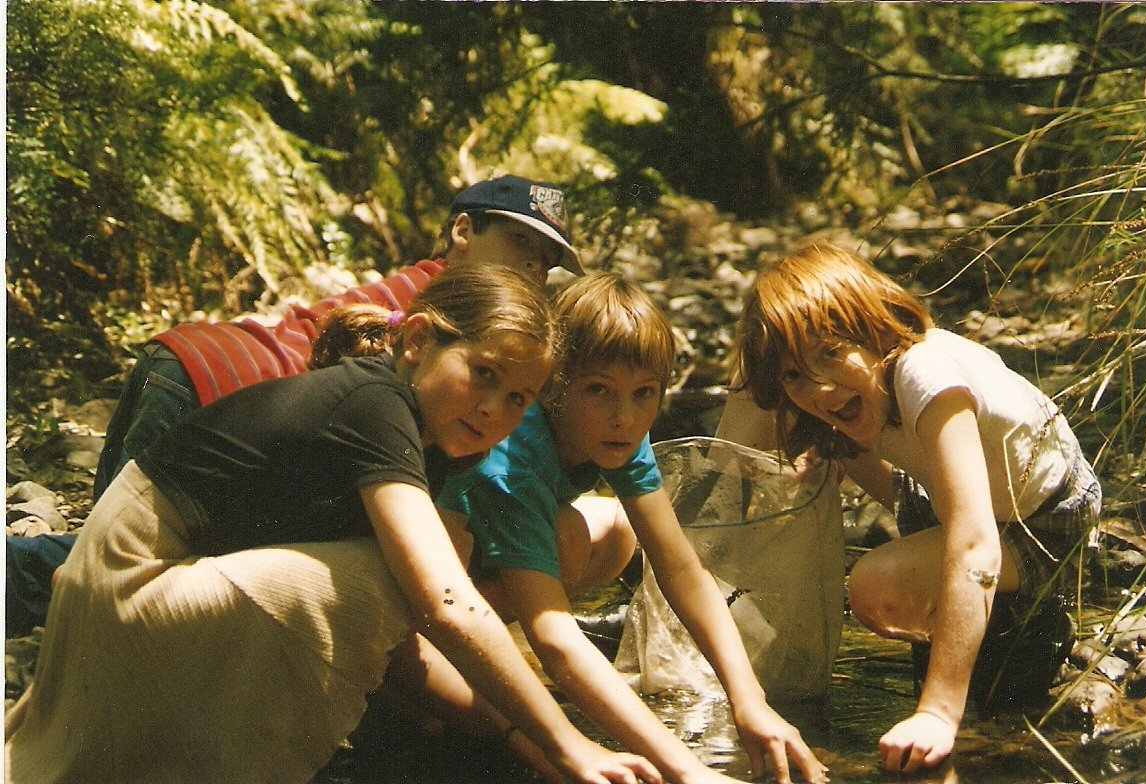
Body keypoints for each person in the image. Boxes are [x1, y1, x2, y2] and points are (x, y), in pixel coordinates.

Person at [4, 263, 660, 784]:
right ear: (417, 341)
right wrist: (571, 744)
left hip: (144, 601)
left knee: (419, 562)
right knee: (408, 568)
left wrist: (513, 736)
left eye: (516, 398)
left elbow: (402, 651)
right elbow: (444, 604)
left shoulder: (431, 441)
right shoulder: (378, 403)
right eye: (481, 375)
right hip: (130, 585)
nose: (492, 410)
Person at [5, 173, 585, 638]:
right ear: (462, 231)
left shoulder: (439, 302)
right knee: (105, 568)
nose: (531, 267)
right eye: (518, 242)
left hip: (190, 360)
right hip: (214, 382)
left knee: (99, 564)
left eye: (544, 260)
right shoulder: (446, 317)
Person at [375, 272, 829, 784]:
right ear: (554, 390)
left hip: (468, 572)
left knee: (610, 533)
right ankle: (412, 688)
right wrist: (688, 771)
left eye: (644, 394)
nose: (624, 417)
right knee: (526, 743)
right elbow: (557, 643)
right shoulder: (511, 462)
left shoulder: (619, 426)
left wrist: (750, 701)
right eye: (599, 391)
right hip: (411, 605)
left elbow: (681, 567)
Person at [733, 242, 1101, 774]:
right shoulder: (852, 393)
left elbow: (973, 542)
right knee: (817, 426)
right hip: (951, 502)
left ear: (878, 330)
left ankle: (1016, 620)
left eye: (831, 352)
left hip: (1046, 519)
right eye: (793, 374)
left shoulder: (925, 372)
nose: (816, 386)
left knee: (876, 588)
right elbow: (762, 400)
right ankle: (976, 625)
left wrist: (937, 713)